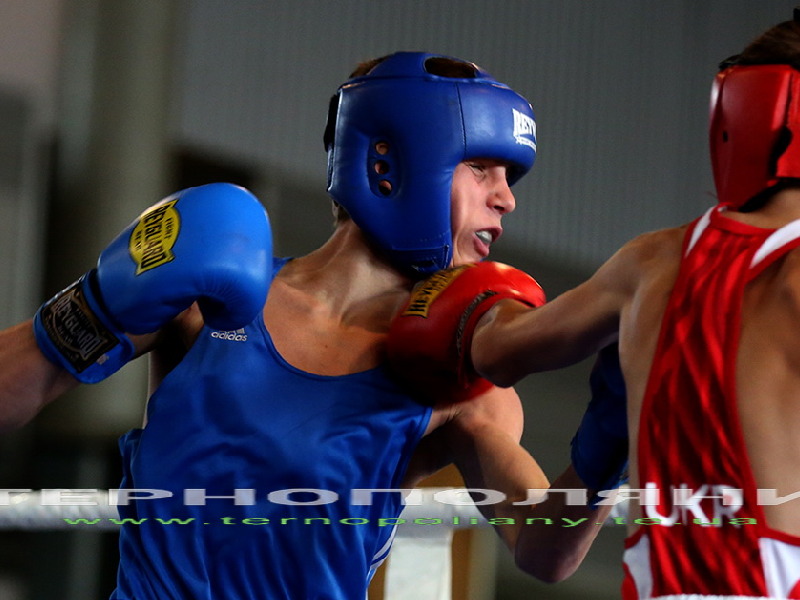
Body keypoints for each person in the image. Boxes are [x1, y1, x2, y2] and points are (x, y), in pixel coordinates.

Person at [0, 51, 618, 599]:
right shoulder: (206, 296)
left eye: (510, 178)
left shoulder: (456, 376)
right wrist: (92, 304)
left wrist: (606, 441)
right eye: (482, 168)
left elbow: (543, 551)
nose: (507, 198)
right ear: (391, 163)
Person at [390, 13, 800, 600]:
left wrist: (600, 456)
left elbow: (493, 346)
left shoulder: (655, 262)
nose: (504, 198)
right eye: (479, 167)